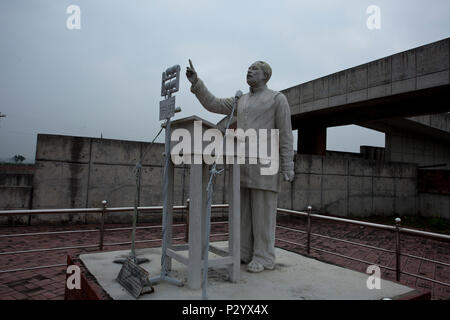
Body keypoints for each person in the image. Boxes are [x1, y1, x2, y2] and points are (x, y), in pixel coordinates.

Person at [186, 59, 295, 273]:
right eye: (248, 68)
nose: (249, 71)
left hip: (266, 164)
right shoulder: (240, 100)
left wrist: (287, 165)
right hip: (240, 163)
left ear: (266, 75)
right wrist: (197, 83)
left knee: (263, 214)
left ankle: (264, 256)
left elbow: (286, 134)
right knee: (242, 213)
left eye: (255, 69)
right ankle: (243, 251)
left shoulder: (277, 99)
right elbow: (214, 104)